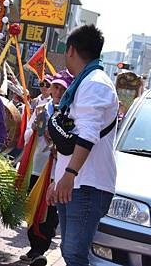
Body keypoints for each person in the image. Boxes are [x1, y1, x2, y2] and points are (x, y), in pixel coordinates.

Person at [47, 25, 119, 266]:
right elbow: (71, 134)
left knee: (75, 254)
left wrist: (69, 174)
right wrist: (58, 179)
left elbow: (87, 134)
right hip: (75, 181)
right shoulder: (84, 81)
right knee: (72, 254)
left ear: (71, 50)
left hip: (88, 183)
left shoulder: (95, 83)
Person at [21, 71, 73, 266]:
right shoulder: (41, 109)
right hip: (38, 165)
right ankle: (34, 246)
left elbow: (70, 138)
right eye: (56, 87)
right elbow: (27, 134)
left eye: (62, 88)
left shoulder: (69, 112)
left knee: (49, 212)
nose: (58, 91)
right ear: (51, 89)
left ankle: (40, 248)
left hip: (56, 171)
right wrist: (33, 129)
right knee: (32, 207)